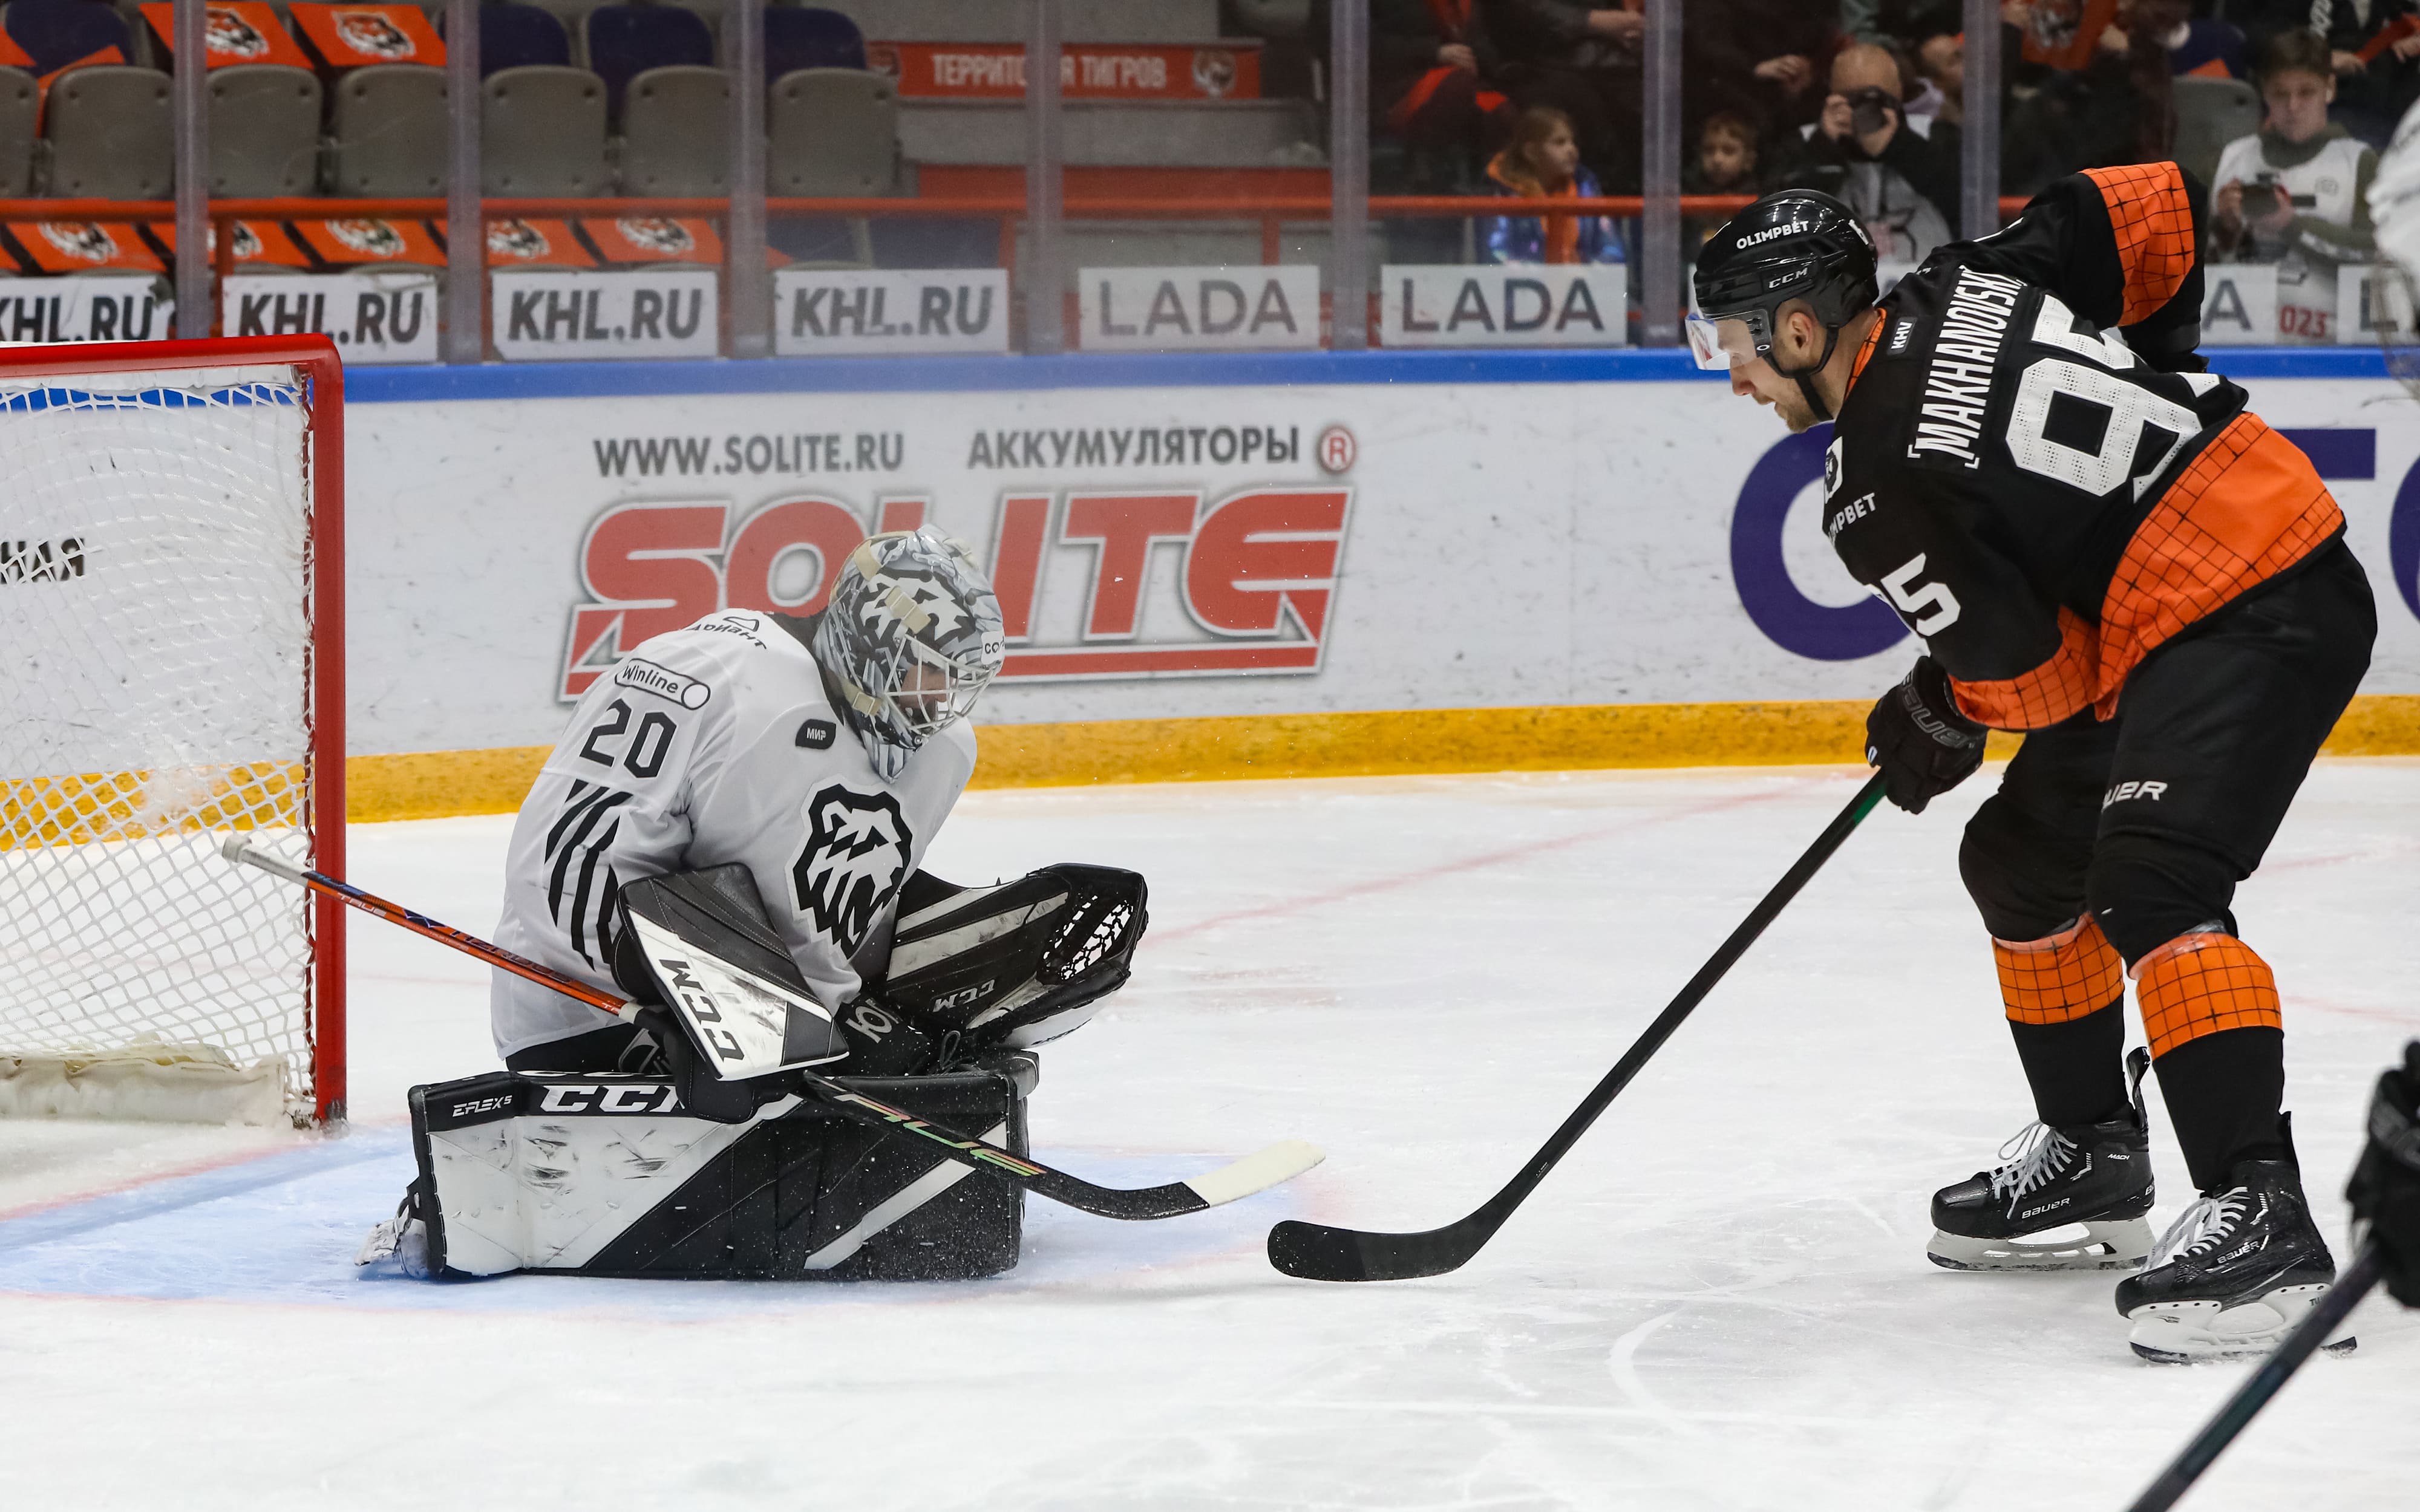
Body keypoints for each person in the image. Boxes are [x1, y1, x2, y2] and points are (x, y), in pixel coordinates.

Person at [1688, 169, 2376, 1361]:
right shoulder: (1964, 277)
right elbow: (2152, 206)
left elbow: (2044, 687)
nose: (1731, 373)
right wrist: (2161, 368)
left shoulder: (1871, 487)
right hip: (2213, 573)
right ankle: (2094, 1153)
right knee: (2019, 861)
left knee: (2150, 879)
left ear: (1798, 329)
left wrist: (1940, 706)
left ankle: (2260, 1209)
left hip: (2245, 597)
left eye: (1733, 346)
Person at [491, 526, 1128, 1083]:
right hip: (598, 1013)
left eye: (958, 683)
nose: (940, 702)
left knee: (1040, 930)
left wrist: (889, 1002)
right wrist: (704, 1013)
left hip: (794, 1032)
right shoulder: (705, 674)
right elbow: (567, 867)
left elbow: (843, 906)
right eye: (926, 674)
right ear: (871, 638)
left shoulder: (945, 749)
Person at [2211, 30, 2381, 344]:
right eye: (2280, 93)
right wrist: (2224, 229)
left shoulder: (2358, 161)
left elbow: (2375, 257)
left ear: (2329, 88)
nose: (2293, 106)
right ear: (2263, 92)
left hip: (2332, 345)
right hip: (2241, 340)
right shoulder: (2235, 157)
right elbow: (2201, 270)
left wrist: (2291, 225)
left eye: (2306, 92)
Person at [1770, 42, 1960, 266]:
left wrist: (1900, 145)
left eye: (1875, 100)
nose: (1863, 111)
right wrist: (1823, 150)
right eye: (1851, 99)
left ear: (1898, 94)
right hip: (1837, 291)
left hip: (1928, 287)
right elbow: (1776, 224)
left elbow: (1965, 204)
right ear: (1831, 95)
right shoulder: (1805, 144)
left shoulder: (1935, 137)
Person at [1371, 0, 1514, 169]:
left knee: (1510, 110)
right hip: (1399, 92)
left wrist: (1487, 63)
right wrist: (1435, 52)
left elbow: (1479, 41)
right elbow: (1368, 48)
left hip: (1465, 84)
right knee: (1459, 86)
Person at [1480, 105, 1627, 264]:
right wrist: (1538, 276)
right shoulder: (1505, 193)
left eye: (1573, 142)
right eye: (1560, 143)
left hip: (1581, 284)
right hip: (1524, 285)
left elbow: (1612, 248)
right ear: (1531, 152)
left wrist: (1589, 272)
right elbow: (1495, 253)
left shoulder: (1585, 187)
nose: (1571, 149)